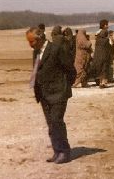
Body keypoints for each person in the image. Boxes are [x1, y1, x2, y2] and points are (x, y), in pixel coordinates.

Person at [25, 27, 76, 164]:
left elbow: (70, 69)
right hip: (43, 94)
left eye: (31, 41)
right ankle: (57, 151)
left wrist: (64, 86)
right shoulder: (36, 51)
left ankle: (64, 152)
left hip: (59, 93)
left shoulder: (56, 49)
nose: (30, 44)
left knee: (56, 121)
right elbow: (37, 70)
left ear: (40, 38)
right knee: (51, 124)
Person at [92, 19, 110, 88]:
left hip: (97, 54)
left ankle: (100, 82)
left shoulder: (97, 36)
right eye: (107, 24)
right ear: (105, 25)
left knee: (100, 68)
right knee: (104, 68)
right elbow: (109, 46)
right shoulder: (106, 38)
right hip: (104, 54)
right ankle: (103, 83)